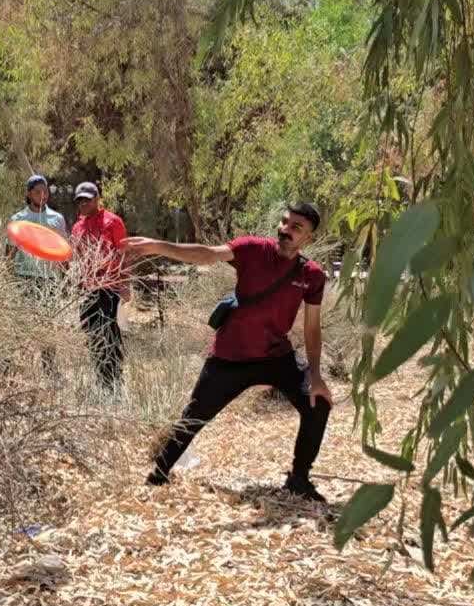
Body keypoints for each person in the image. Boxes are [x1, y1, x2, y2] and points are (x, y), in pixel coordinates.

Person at [122, 203, 334, 503]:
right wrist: (158, 246)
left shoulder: (311, 275)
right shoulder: (252, 249)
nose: (285, 230)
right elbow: (207, 254)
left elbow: (312, 327)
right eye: (284, 222)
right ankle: (157, 477)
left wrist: (317, 376)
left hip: (276, 357)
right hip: (230, 357)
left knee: (318, 403)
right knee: (193, 418)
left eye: (296, 228)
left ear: (309, 239)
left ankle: (299, 479)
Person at [71, 181, 129, 392]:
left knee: (109, 333)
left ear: (97, 199)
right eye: (80, 200)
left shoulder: (112, 222)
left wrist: (125, 283)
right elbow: (78, 257)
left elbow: (123, 254)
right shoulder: (78, 227)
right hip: (88, 289)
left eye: (87, 199)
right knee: (92, 333)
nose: (83, 204)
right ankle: (100, 379)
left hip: (110, 288)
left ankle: (114, 382)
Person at [8, 175, 67, 374]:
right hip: (22, 276)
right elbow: (10, 252)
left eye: (45, 191)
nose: (42, 195)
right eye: (37, 191)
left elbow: (62, 250)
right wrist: (7, 277)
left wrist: (65, 279)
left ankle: (49, 369)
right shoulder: (18, 219)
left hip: (48, 279)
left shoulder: (57, 219)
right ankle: (11, 369)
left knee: (47, 324)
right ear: (29, 194)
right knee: (17, 323)